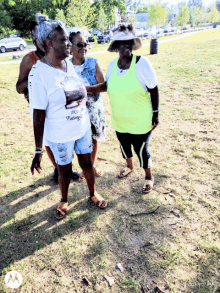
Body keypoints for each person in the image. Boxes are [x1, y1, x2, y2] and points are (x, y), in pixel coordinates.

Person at [28, 14, 107, 219]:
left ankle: (92, 193)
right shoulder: (38, 73)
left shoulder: (68, 64)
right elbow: (38, 114)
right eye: (63, 40)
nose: (68, 44)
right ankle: (64, 199)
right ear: (49, 43)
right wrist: (38, 149)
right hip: (60, 135)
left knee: (87, 164)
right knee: (64, 171)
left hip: (81, 129)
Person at [86, 24, 159, 193]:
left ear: (133, 44)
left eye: (129, 42)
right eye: (122, 42)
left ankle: (148, 176)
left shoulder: (142, 63)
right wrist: (88, 88)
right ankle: (129, 166)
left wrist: (156, 113)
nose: (126, 46)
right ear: (116, 46)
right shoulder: (112, 65)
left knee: (141, 149)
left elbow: (154, 88)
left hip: (140, 119)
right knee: (124, 145)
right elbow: (107, 85)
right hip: (120, 118)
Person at [16, 21, 79, 183]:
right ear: (36, 40)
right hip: (40, 106)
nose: (42, 40)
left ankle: (66, 167)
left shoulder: (59, 56)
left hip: (60, 105)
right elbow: (19, 86)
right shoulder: (29, 59)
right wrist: (35, 79)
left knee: (62, 137)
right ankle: (58, 169)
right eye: (39, 38)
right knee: (49, 140)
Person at [69, 31, 106, 182]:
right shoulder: (65, 66)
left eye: (85, 44)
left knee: (93, 138)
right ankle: (81, 166)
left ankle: (90, 166)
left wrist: (86, 89)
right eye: (79, 44)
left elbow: (104, 85)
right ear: (70, 47)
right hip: (74, 110)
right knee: (77, 139)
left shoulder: (93, 62)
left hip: (93, 109)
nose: (83, 47)